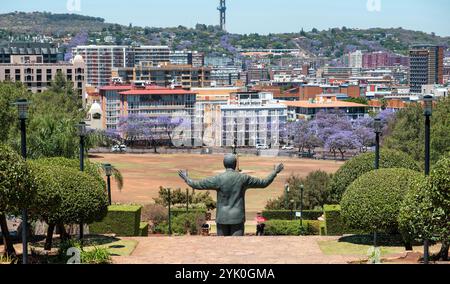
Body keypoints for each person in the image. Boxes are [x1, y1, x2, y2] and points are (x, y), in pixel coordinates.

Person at [178, 154, 284, 237]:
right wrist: (275, 172)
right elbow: (264, 183)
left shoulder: (218, 179)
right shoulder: (243, 178)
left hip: (222, 218)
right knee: (236, 247)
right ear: (235, 164)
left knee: (222, 248)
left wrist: (186, 179)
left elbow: (198, 184)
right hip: (237, 218)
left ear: (224, 165)